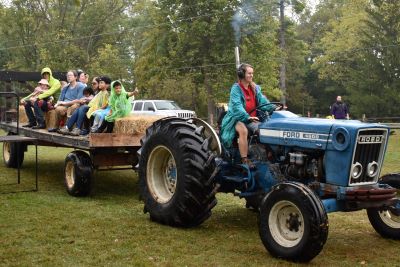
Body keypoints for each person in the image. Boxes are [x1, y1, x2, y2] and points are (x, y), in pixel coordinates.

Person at [220, 63, 276, 168]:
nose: (251, 75)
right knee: (243, 130)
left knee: (265, 130)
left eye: (252, 73)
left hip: (252, 119)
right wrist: (247, 117)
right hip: (236, 118)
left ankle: (269, 155)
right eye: (249, 73)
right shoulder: (236, 89)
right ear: (242, 75)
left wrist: (273, 107)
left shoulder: (255, 88)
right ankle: (245, 159)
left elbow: (263, 102)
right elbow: (237, 106)